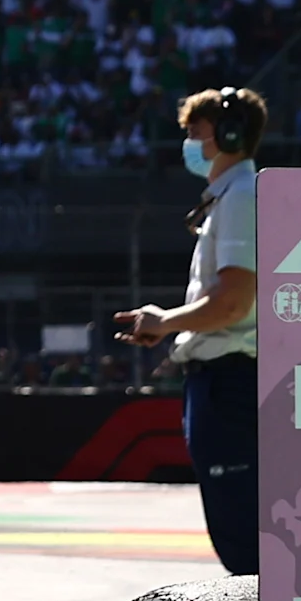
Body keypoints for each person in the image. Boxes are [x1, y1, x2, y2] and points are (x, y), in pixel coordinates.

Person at [115, 86, 262, 576]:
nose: (189, 143)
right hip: (222, 376)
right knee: (238, 525)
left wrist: (167, 321)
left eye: (195, 132)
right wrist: (166, 325)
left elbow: (234, 302)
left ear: (228, 134)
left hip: (230, 378)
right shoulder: (232, 196)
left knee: (241, 532)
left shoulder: (242, 196)